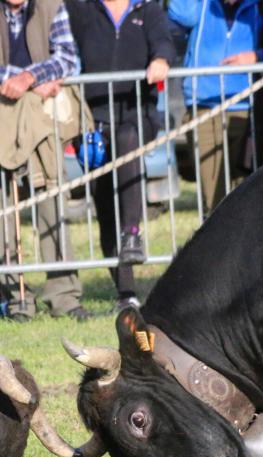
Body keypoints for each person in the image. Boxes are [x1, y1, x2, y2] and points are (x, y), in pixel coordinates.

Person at [0, 0, 90, 322]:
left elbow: (69, 58)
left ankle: (64, 296)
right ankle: (16, 298)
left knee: (52, 204)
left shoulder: (52, 6)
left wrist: (30, 77)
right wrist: (26, 79)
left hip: (40, 119)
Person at [66, 0, 176, 311]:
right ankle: (125, 293)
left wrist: (162, 59)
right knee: (104, 205)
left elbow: (165, 43)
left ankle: (133, 231)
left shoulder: (148, 10)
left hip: (136, 113)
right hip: (94, 120)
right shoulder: (81, 9)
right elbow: (61, 44)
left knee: (128, 138)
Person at [168, 0, 263, 215]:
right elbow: (180, 15)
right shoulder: (200, 6)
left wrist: (257, 57)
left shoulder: (259, 7)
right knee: (214, 198)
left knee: (248, 191)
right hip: (205, 106)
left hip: (247, 107)